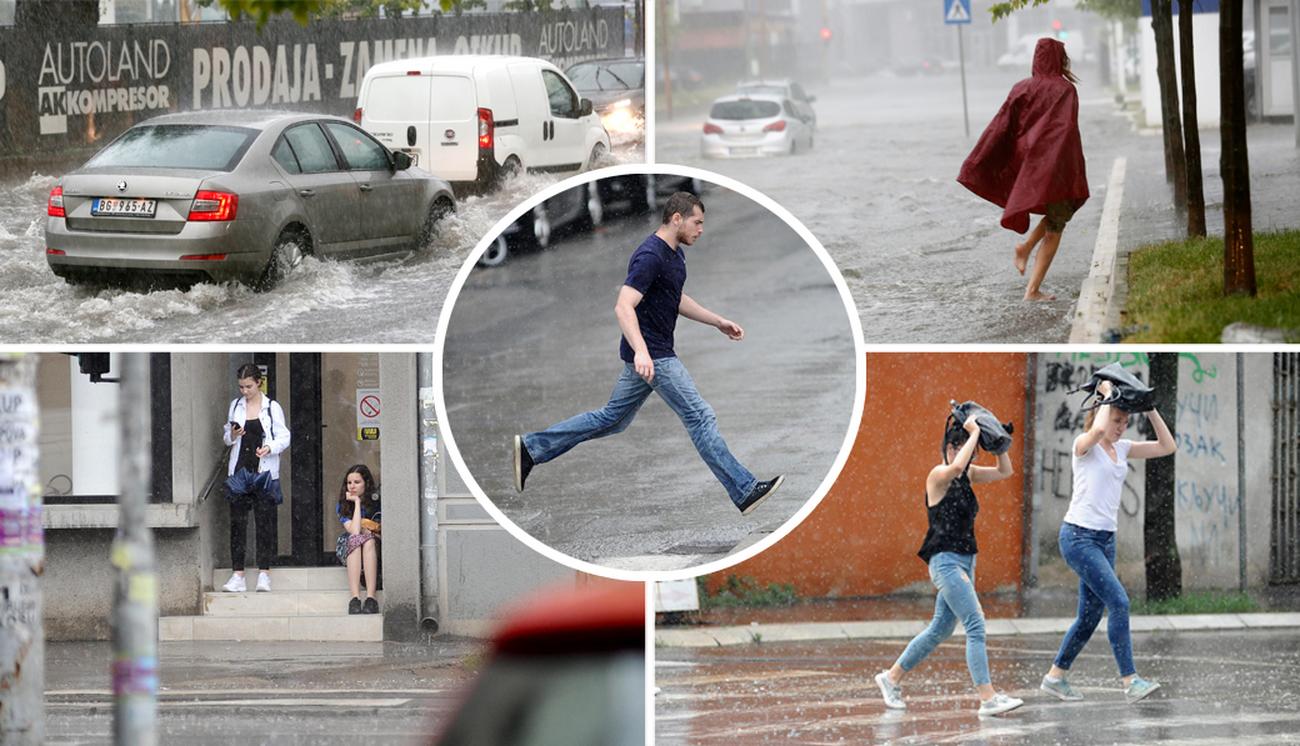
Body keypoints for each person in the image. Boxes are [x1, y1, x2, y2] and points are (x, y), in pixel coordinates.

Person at [512, 192, 784, 515]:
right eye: (697, 223)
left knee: (612, 419)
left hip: (648, 355)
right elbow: (623, 305)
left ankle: (532, 448)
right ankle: (745, 490)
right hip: (654, 355)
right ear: (677, 219)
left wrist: (717, 321)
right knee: (700, 417)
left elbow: (675, 296)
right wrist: (642, 352)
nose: (701, 230)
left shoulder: (675, 254)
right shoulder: (650, 255)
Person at [874, 413, 1023, 717]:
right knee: (975, 625)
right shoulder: (938, 474)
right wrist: (971, 433)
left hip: (967, 561)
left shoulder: (969, 475)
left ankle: (891, 679)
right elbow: (956, 466)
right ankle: (988, 698)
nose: (958, 451)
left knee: (939, 629)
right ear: (945, 449)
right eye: (953, 446)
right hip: (945, 563)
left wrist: (997, 441)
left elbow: (1004, 471)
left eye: (963, 446)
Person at [1040, 380, 1175, 704]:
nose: (1121, 427)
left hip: (1104, 541)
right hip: (1078, 538)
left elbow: (1167, 446)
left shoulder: (1124, 448)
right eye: (1117, 420)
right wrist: (1104, 396)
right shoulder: (1083, 445)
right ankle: (1130, 681)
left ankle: (1055, 677)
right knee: (1120, 602)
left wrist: (1149, 407)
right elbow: (1098, 431)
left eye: (1125, 422)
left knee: (1089, 616)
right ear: (1101, 416)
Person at [958, 37, 1089, 302]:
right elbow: (1067, 131)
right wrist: (1072, 168)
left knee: (1056, 214)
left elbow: (1000, 126)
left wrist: (979, 160)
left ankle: (1025, 247)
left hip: (1030, 164)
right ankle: (1032, 290)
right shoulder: (1065, 90)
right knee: (1057, 224)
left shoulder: (1021, 88)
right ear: (1060, 59)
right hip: (1056, 164)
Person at [221, 364, 291, 593]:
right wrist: (232, 434)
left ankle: (264, 573)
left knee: (265, 524)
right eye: (241, 387)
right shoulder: (235, 406)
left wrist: (269, 447)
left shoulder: (272, 407)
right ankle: (238, 574)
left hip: (264, 472)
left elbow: (284, 436)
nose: (244, 391)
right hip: (239, 472)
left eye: (248, 386)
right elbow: (226, 439)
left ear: (259, 383)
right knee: (237, 526)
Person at [337, 464, 381, 615]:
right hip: (350, 545)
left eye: (357, 482)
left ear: (366, 483)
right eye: (349, 483)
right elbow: (355, 531)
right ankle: (355, 598)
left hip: (373, 545)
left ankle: (371, 598)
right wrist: (356, 503)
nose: (352, 486)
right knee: (356, 541)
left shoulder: (376, 502)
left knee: (368, 540)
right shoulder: (343, 505)